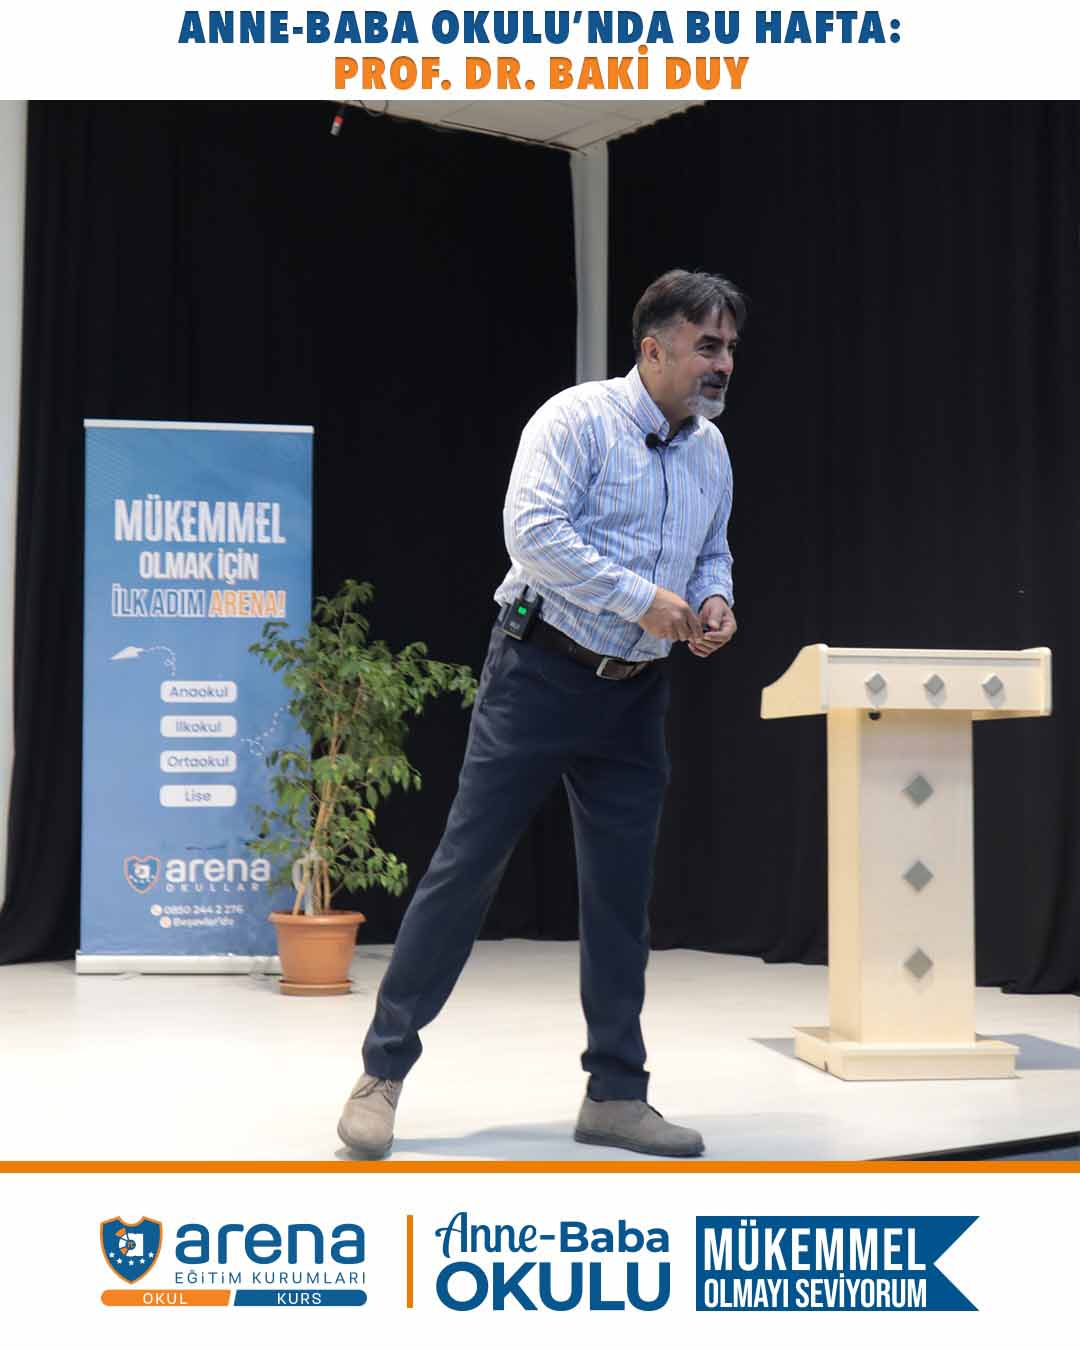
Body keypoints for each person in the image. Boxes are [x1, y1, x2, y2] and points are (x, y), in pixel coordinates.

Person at [338, 269, 743, 1158]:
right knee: (465, 870)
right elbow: (535, 535)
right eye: (706, 346)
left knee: (621, 897)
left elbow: (711, 548)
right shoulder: (575, 421)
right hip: (539, 673)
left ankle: (616, 1095)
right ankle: (381, 1074)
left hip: (636, 695)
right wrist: (643, 599)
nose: (722, 364)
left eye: (729, 349)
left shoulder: (710, 449)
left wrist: (714, 599)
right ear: (654, 349)